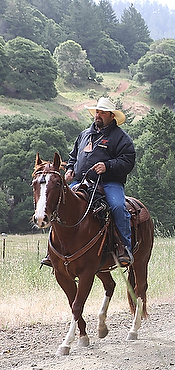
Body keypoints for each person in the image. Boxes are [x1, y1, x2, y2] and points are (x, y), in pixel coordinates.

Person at [42, 97, 135, 267]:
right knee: (58, 203)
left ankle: (124, 248)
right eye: (97, 112)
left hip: (109, 182)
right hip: (81, 181)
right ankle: (52, 251)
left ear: (111, 116)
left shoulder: (121, 138)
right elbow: (73, 156)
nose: (98, 115)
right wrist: (70, 169)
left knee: (117, 206)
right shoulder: (84, 134)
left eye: (102, 113)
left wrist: (107, 166)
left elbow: (128, 161)